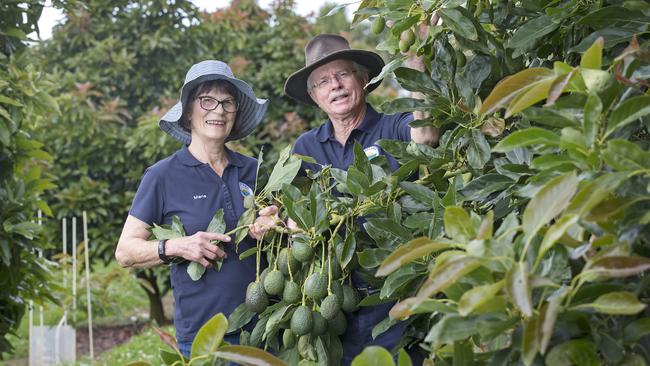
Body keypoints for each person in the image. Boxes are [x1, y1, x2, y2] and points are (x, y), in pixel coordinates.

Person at [251, 34, 439, 364]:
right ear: (314, 96)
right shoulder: (305, 148)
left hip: (399, 298)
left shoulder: (393, 126)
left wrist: (416, 63)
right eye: (322, 81)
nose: (334, 86)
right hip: (337, 305)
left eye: (342, 75)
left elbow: (426, 137)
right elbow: (287, 204)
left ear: (363, 79)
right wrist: (273, 217)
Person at [115, 60, 268, 358]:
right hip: (204, 337)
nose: (219, 110)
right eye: (207, 100)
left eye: (227, 102)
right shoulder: (163, 176)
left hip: (262, 329)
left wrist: (271, 226)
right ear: (188, 112)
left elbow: (277, 235)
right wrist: (178, 246)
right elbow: (125, 252)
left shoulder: (255, 170)